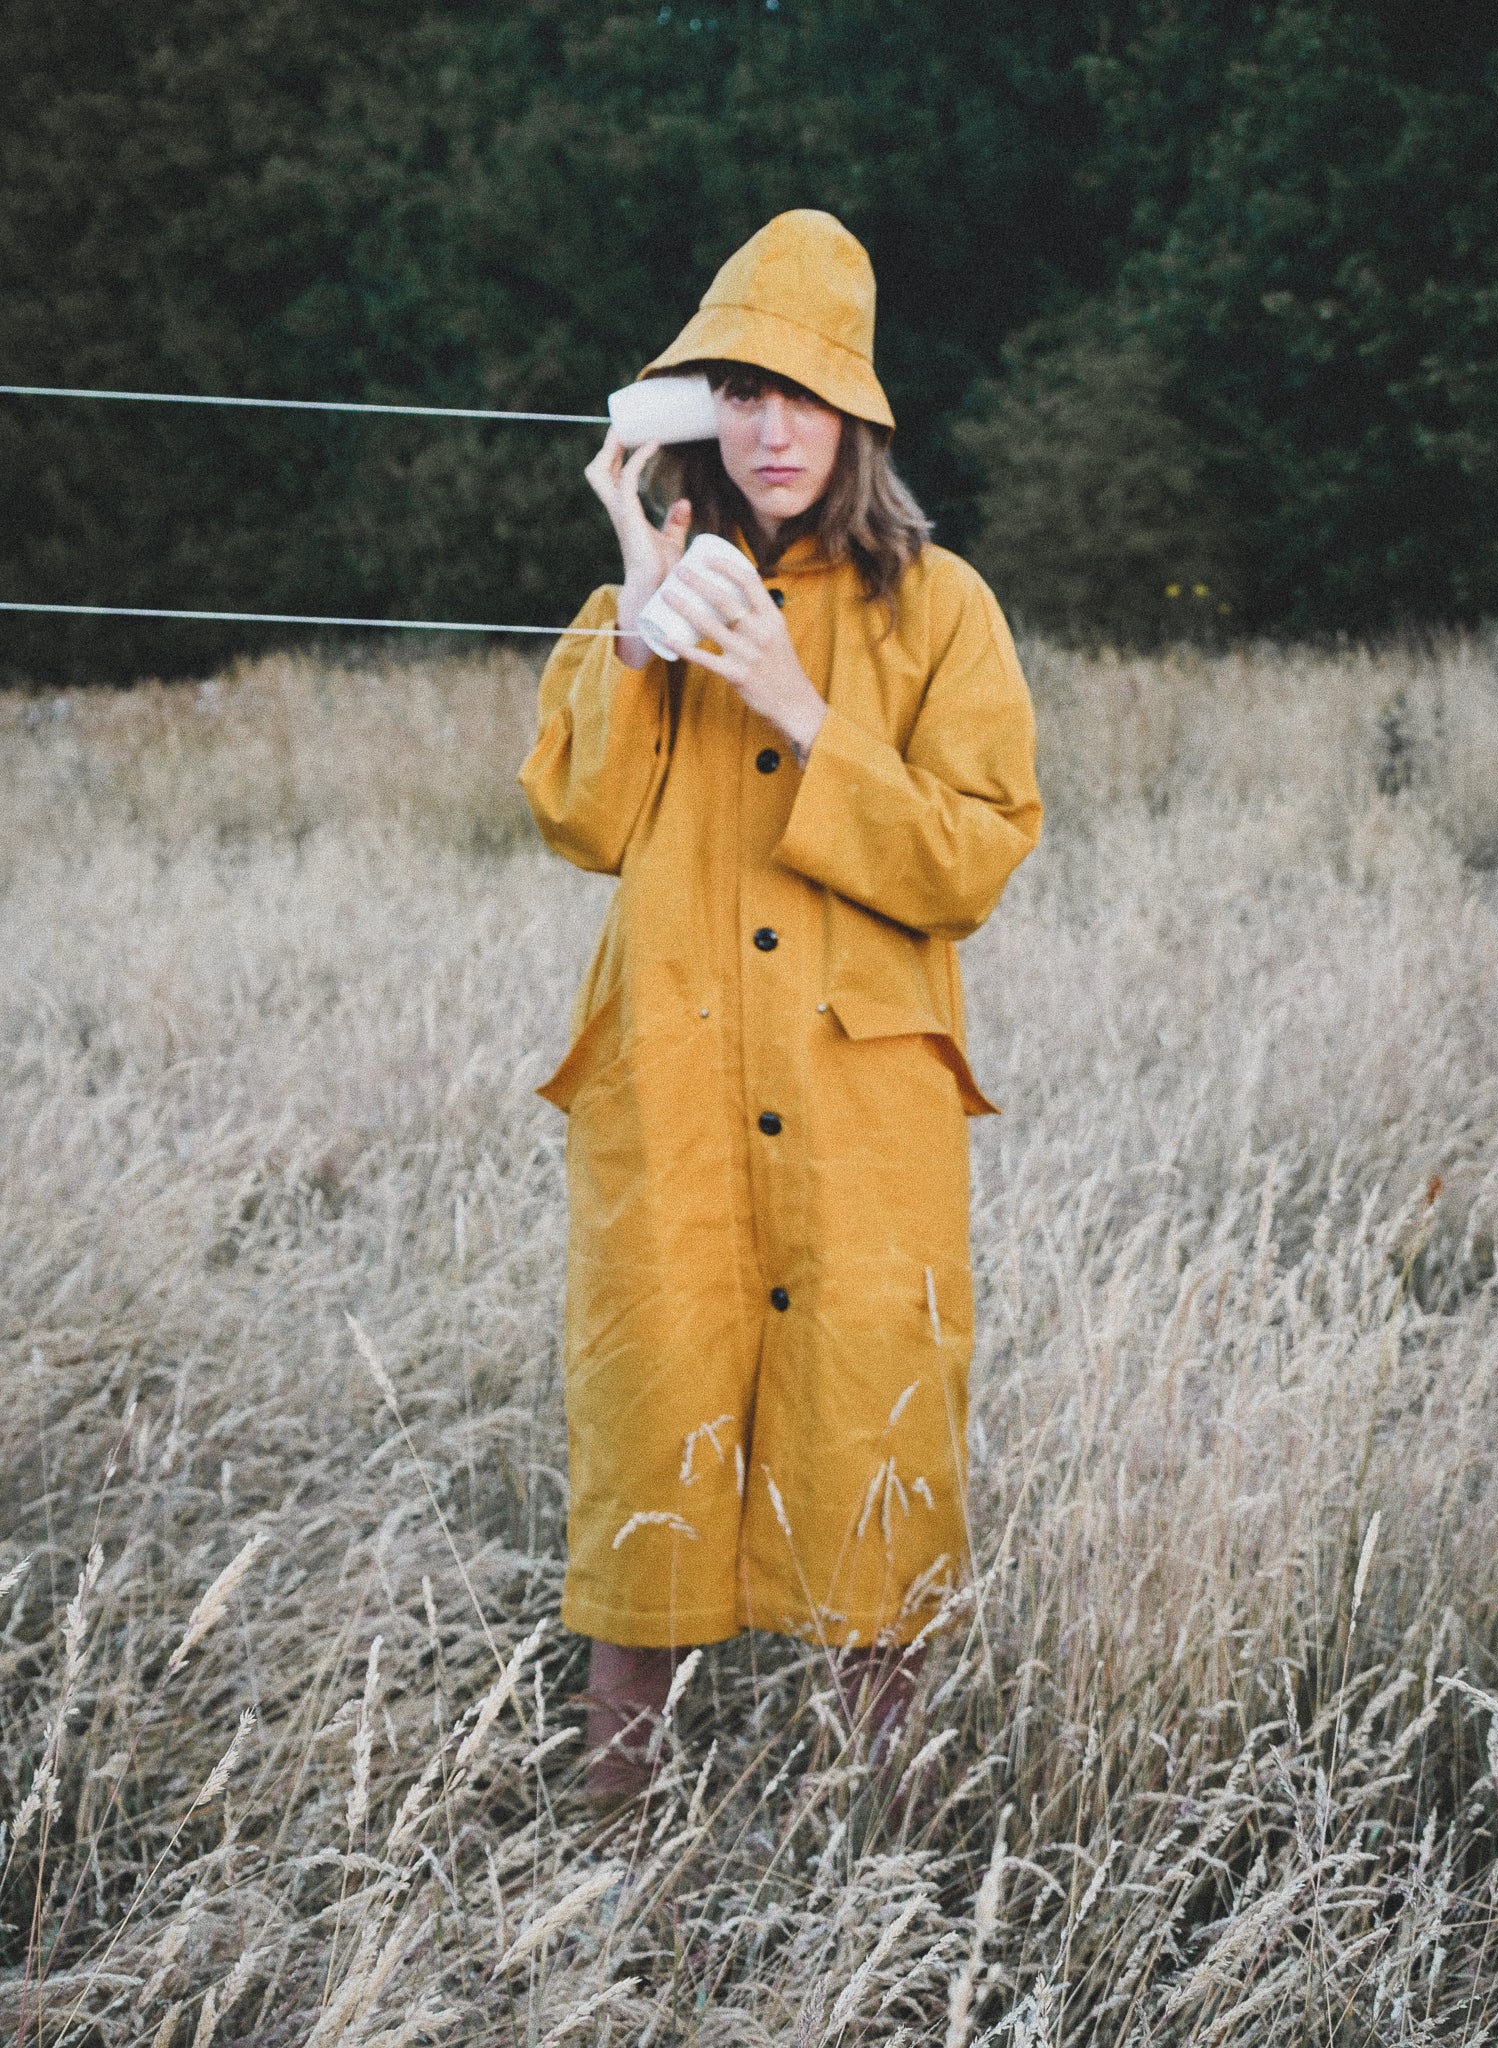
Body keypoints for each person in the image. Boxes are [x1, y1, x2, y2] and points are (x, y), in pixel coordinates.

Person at [518, 210, 1042, 1807]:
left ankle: (891, 1851)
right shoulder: (659, 594)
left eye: (798, 395)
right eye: (736, 393)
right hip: (668, 1088)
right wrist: (634, 601)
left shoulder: (940, 605)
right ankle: (610, 1841)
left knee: (868, 1438)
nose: (767, 428)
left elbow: (974, 853)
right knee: (650, 1409)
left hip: (860, 1108)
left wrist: (805, 712)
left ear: (857, 414)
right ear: (696, 415)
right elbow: (581, 823)